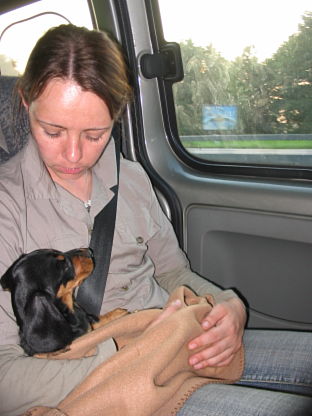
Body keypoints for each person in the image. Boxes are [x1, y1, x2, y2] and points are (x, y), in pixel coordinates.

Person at [0, 24, 311, 416]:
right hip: (112, 380)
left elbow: (172, 273)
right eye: (53, 131)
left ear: (116, 115)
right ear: (26, 103)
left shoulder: (130, 177)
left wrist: (229, 307)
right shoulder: (6, 207)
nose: (74, 156)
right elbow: (4, 374)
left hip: (174, 338)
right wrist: (136, 362)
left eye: (95, 134)